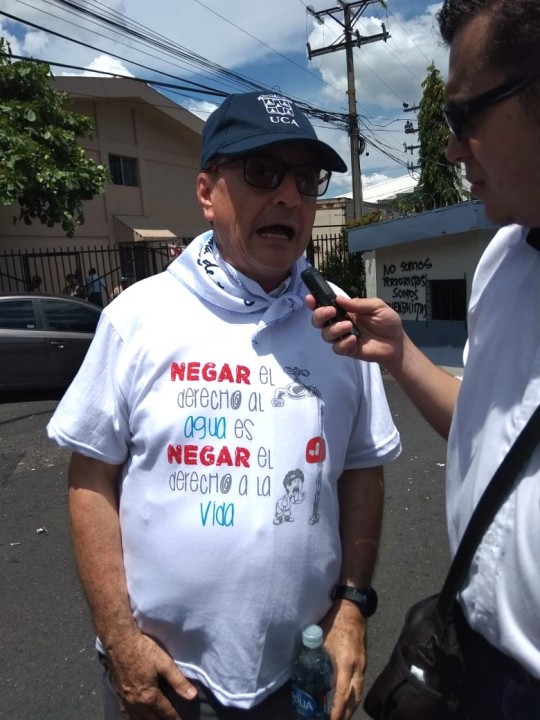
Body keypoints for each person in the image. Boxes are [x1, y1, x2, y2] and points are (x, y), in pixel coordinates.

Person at [46, 90, 401, 720]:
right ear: (208, 192)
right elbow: (90, 476)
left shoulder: (344, 321)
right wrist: (122, 641)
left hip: (298, 676)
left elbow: (363, 469)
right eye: (263, 173)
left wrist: (352, 607)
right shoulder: (139, 317)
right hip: (165, 684)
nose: (289, 197)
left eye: (304, 178)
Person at [308, 2, 540, 718]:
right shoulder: (504, 260)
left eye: (464, 117)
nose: (451, 150)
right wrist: (401, 353)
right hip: (476, 661)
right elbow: (489, 436)